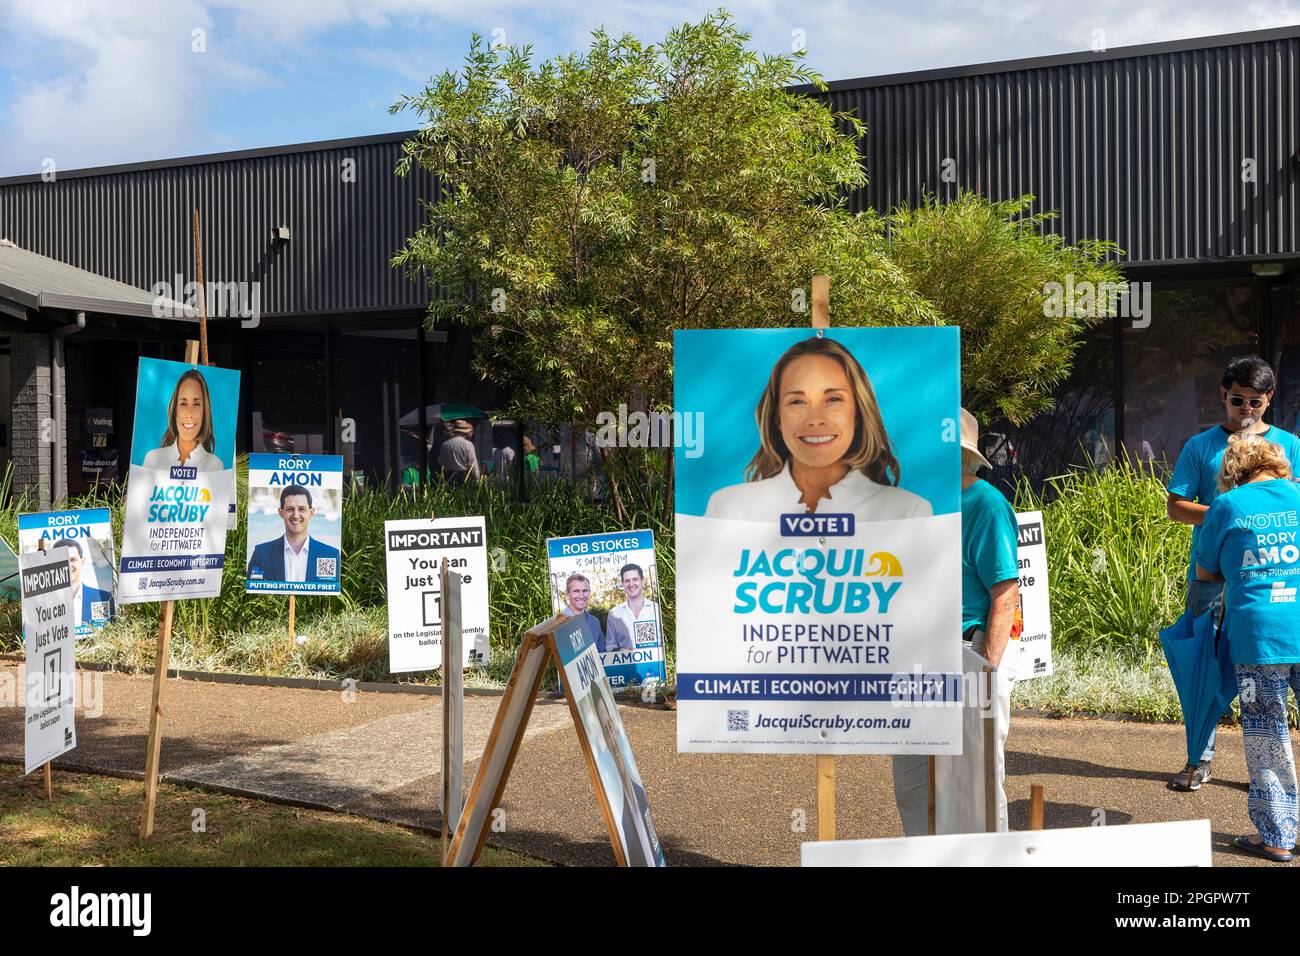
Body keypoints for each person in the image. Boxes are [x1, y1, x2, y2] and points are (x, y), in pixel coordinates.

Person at [1165, 355, 1300, 791]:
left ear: (1269, 400)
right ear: (1223, 395)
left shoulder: (1289, 445)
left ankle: (1272, 776)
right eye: (1238, 400)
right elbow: (1176, 505)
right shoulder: (1200, 446)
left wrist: (1240, 514)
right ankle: (1198, 758)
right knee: (1205, 667)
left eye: (1255, 403)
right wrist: (1230, 515)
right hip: (1210, 576)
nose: (1246, 411)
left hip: (1271, 580)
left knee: (1267, 677)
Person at [891, 408, 1020, 835]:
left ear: (963, 457)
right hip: (915, 654)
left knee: (973, 788)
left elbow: (1005, 592)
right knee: (914, 784)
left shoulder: (984, 504)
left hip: (966, 650)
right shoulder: (912, 505)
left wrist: (986, 669)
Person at [1195, 435, 1300, 862]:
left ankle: (1277, 834)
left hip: (1259, 637)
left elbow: (1206, 571)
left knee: (1267, 735)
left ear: (1233, 471)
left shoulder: (1228, 506)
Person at [704, 336, 931, 521]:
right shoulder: (728, 510)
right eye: (797, 401)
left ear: (859, 412)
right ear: (777, 417)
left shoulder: (909, 512)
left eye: (833, 399)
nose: (815, 419)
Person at [246, 484, 341, 584]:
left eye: (302, 509)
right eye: (290, 509)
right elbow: (253, 593)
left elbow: (328, 593)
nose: (296, 515)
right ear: (281, 512)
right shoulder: (261, 554)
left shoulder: (329, 555)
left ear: (311, 512)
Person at [141, 368, 224, 471]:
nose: (189, 414)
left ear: (205, 412)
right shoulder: (152, 460)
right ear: (175, 410)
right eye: (183, 403)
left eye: (196, 404)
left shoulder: (215, 466)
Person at [49, 537, 112, 628]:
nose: (67, 565)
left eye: (73, 559)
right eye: (62, 560)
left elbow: (110, 634)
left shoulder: (103, 598)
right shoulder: (41, 603)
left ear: (82, 561)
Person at [605, 563, 658, 653]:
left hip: (654, 665)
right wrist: (621, 651)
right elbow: (610, 645)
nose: (631, 584)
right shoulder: (614, 613)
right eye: (627, 581)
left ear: (642, 581)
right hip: (627, 665)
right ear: (622, 584)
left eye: (635, 579)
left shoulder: (656, 609)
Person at [560, 572, 605, 652]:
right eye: (576, 591)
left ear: (589, 593)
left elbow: (602, 654)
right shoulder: (557, 624)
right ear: (567, 594)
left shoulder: (594, 622)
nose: (581, 596)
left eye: (585, 591)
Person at [438, 419, 480, 486]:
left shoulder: (444, 445)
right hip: (463, 478)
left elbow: (442, 463)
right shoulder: (467, 444)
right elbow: (472, 465)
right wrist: (477, 480)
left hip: (448, 478)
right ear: (465, 432)